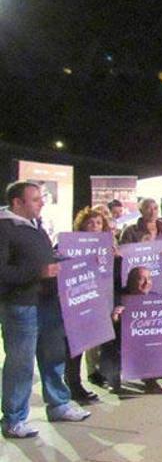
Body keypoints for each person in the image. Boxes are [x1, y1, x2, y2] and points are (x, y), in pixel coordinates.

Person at [1, 181, 91, 438]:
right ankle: (14, 419)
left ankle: (59, 404)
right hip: (21, 305)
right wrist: (38, 272)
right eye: (36, 199)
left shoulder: (34, 226)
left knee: (53, 357)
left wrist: (76, 261)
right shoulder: (5, 228)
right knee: (21, 363)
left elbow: (45, 259)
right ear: (18, 202)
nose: (42, 202)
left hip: (48, 302)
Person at [103, 267, 162, 394]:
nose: (146, 282)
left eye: (149, 278)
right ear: (130, 281)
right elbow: (104, 329)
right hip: (121, 345)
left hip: (147, 344)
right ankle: (113, 380)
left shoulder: (156, 298)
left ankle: (151, 379)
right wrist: (114, 318)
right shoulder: (118, 300)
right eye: (141, 279)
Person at [63, 207, 116, 402]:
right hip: (75, 299)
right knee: (73, 346)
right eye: (90, 223)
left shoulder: (108, 245)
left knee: (88, 343)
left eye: (99, 223)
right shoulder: (70, 243)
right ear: (82, 225)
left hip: (97, 300)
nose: (95, 226)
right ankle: (73, 384)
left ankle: (79, 382)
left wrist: (115, 257)